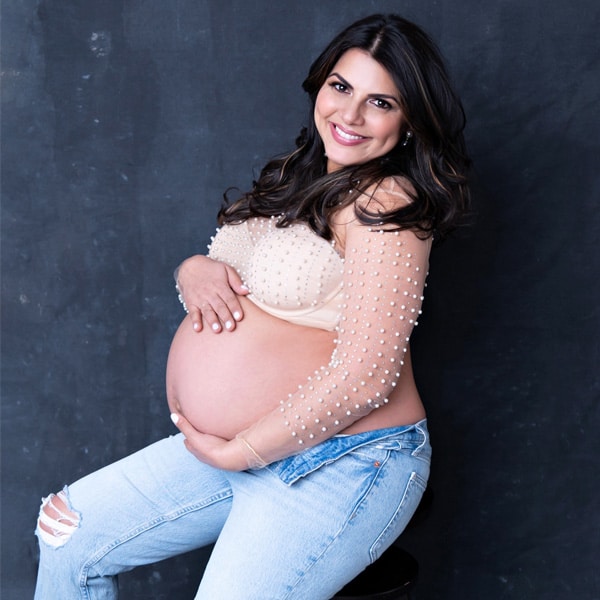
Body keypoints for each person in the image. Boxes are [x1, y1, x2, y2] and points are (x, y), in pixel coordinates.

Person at [34, 13, 470, 599]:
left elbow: (368, 375)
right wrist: (192, 269)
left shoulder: (385, 204)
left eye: (381, 102)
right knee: (69, 532)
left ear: (410, 120)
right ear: (320, 86)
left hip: (343, 462)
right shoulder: (300, 178)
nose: (350, 115)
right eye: (341, 88)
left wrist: (243, 451)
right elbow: (256, 276)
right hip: (242, 451)